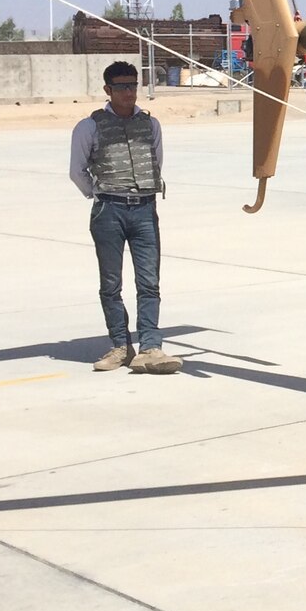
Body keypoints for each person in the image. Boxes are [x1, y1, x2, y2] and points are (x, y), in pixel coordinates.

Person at [69, 61, 182, 375]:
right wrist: (102, 193)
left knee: (149, 282)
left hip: (145, 208)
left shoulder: (151, 124)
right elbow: (77, 171)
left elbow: (156, 161)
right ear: (107, 90)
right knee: (111, 283)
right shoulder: (89, 127)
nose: (129, 92)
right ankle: (120, 345)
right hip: (109, 210)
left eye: (132, 85)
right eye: (121, 87)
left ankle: (150, 347)